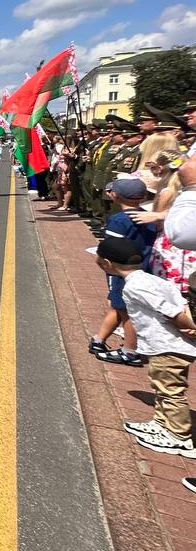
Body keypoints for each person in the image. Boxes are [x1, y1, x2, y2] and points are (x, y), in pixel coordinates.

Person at [97, 236, 196, 459]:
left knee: (171, 391)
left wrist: (190, 327)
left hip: (167, 346)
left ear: (108, 264)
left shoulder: (136, 286)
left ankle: (179, 436)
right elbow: (180, 301)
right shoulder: (152, 280)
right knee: (161, 388)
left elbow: (171, 311)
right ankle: (162, 423)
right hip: (163, 346)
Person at [90, 178, 156, 365]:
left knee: (128, 311)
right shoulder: (148, 217)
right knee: (118, 306)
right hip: (142, 266)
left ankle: (130, 350)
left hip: (121, 270)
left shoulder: (118, 221)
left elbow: (110, 246)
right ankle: (98, 340)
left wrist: (100, 259)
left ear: (114, 196)